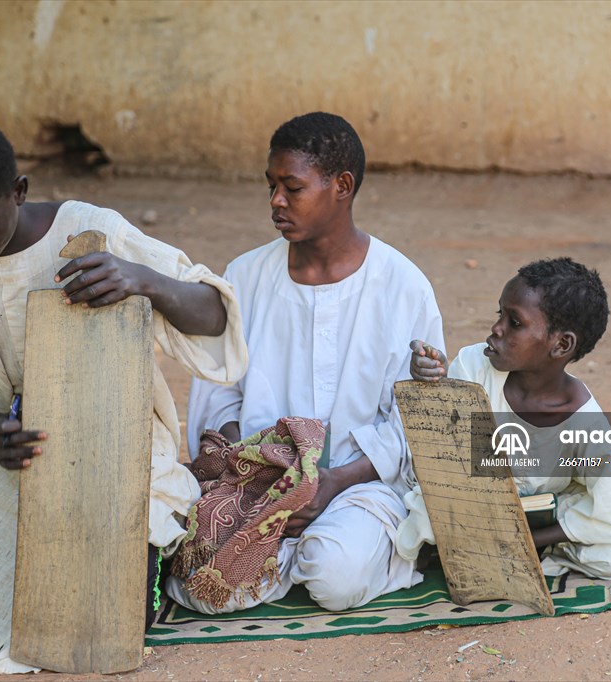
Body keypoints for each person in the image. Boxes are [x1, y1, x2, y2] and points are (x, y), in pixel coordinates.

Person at [0, 117, 248, 677]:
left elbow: (212, 317)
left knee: (100, 610)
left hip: (115, 452)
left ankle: (149, 563)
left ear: (19, 191)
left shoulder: (91, 229)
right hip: (1, 457)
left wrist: (141, 280)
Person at [171, 112, 444, 613]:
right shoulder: (246, 276)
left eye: (291, 187)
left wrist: (330, 483)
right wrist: (262, 476)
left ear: (342, 186)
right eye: (271, 185)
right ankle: (286, 554)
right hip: (258, 483)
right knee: (203, 593)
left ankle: (349, 551)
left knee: (335, 578)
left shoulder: (402, 286)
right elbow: (219, 390)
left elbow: (410, 420)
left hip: (357, 485)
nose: (276, 201)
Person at [396, 258, 611, 579]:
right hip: (474, 504)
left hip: (540, 515)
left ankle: (518, 550)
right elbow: (444, 450)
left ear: (561, 345)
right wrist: (433, 384)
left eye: (514, 322)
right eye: (499, 314)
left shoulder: (583, 420)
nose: (496, 328)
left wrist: (524, 541)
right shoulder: (475, 367)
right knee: (422, 517)